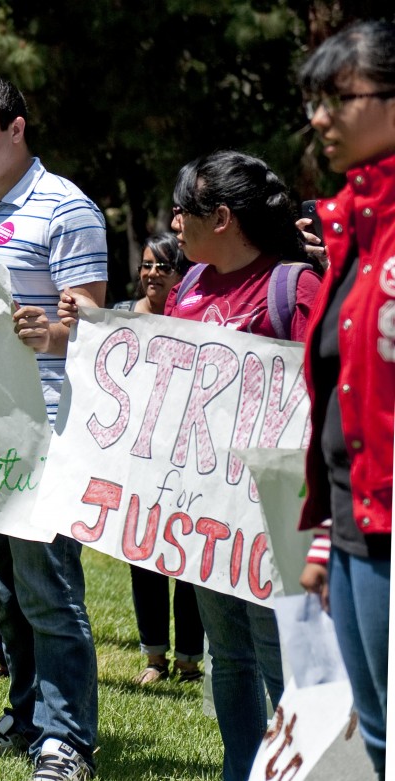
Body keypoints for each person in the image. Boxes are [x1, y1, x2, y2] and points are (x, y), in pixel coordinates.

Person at [64, 150, 320, 781]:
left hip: (271, 513)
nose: (174, 224)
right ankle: (241, 768)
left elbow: (325, 390)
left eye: (185, 211)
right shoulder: (191, 286)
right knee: (227, 655)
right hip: (205, 512)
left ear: (224, 218)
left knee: (280, 658)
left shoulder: (293, 287)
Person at [0, 77, 106, 781]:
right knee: (1, 589)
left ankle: (68, 737)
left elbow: (95, 329)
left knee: (48, 588)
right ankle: (26, 717)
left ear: (17, 128)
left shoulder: (66, 209)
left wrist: (54, 333)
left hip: (45, 425)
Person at [297, 20, 395, 780]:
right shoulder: (355, 230)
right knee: (379, 736)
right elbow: (347, 400)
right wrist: (328, 534)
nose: (319, 118)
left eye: (339, 98)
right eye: (314, 101)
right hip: (358, 528)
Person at [112, 233, 204, 685]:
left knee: (186, 555)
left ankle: (189, 656)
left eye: (162, 267)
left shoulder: (199, 319)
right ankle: (154, 656)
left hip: (188, 455)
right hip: (140, 456)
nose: (151, 274)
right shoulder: (124, 316)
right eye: (146, 265)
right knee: (143, 553)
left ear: (182, 274)